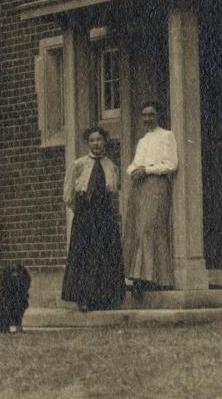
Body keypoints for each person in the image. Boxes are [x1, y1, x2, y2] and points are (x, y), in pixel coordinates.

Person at [60, 126, 125, 312]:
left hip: (104, 215)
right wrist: (81, 212)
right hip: (85, 215)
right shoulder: (78, 164)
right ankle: (84, 298)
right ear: (88, 143)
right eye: (92, 140)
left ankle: (105, 297)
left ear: (105, 142)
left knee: (105, 252)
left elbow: (114, 191)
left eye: (99, 140)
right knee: (85, 254)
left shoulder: (111, 165)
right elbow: (68, 195)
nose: (96, 144)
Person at [124, 100, 177, 298]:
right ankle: (140, 277)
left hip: (157, 184)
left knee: (151, 228)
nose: (147, 118)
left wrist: (147, 170)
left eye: (151, 114)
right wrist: (134, 171)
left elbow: (171, 164)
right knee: (136, 229)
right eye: (144, 115)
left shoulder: (167, 136)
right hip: (139, 186)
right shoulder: (143, 140)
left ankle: (160, 278)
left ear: (159, 115)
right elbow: (135, 163)